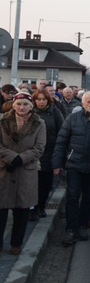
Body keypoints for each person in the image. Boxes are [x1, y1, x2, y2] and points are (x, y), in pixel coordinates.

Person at [53, 91, 90, 246]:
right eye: (89, 102)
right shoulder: (72, 119)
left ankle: (84, 225)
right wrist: (57, 164)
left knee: (89, 197)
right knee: (72, 197)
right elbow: (61, 142)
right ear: (82, 103)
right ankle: (71, 228)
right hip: (74, 165)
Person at [0, 93, 46, 256]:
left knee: (22, 210)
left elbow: (39, 147)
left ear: (31, 106)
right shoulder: (2, 121)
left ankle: (16, 244)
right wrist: (12, 158)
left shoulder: (39, 123)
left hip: (26, 171)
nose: (21, 107)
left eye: (25, 104)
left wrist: (21, 159)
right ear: (13, 105)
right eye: (18, 104)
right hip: (4, 169)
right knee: (1, 210)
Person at [31, 89, 64, 220]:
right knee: (32, 183)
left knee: (45, 183)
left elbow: (61, 131)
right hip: (33, 153)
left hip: (49, 152)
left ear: (48, 100)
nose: (41, 102)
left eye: (43, 99)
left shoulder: (55, 112)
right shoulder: (30, 112)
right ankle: (31, 208)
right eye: (38, 99)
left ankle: (41, 206)